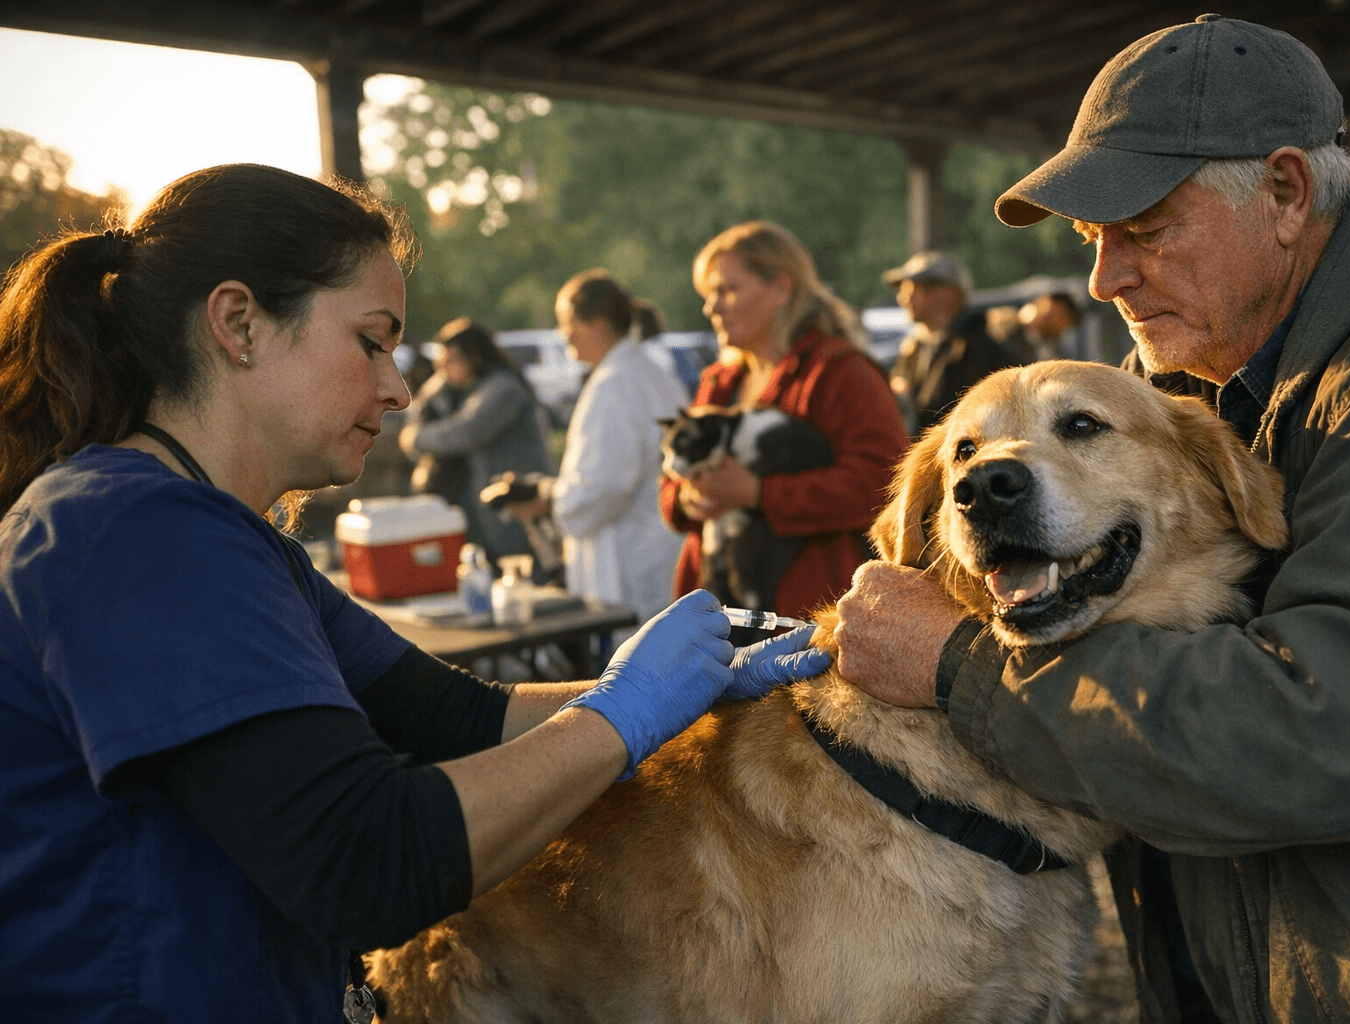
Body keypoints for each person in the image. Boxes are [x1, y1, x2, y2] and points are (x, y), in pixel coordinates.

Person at [0, 163, 829, 1023]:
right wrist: (619, 716)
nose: (397, 388)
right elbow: (365, 858)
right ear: (238, 322)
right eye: (371, 341)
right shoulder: (132, 531)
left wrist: (686, 698)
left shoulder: (237, 541)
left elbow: (457, 718)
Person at [833, 15, 1350, 1023]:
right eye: (1091, 240)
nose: (1103, 279)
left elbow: (1337, 730)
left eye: (1146, 229)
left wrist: (962, 671)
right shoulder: (1210, 375)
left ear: (1286, 194)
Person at [659, 220, 907, 621]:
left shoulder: (840, 371)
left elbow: (887, 483)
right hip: (713, 608)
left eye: (727, 290)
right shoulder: (720, 383)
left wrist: (760, 493)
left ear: (781, 288)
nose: (712, 307)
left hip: (807, 613)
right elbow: (670, 485)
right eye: (709, 294)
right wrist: (688, 497)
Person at [500, 269, 689, 628]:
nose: (562, 334)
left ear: (597, 326)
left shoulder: (614, 384)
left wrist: (550, 500)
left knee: (632, 671)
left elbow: (604, 487)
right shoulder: (651, 372)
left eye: (567, 323)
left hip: (627, 562)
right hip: (656, 551)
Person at [399, 316, 553, 562]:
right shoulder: (468, 388)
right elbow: (420, 410)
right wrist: (438, 381)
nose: (445, 369)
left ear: (474, 356)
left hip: (519, 509)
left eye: (452, 361)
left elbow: (467, 432)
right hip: (494, 514)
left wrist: (415, 438)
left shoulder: (503, 388)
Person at [883, 249, 1019, 435]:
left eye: (915, 288)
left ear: (948, 294)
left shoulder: (980, 352)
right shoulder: (914, 347)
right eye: (903, 290)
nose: (904, 298)